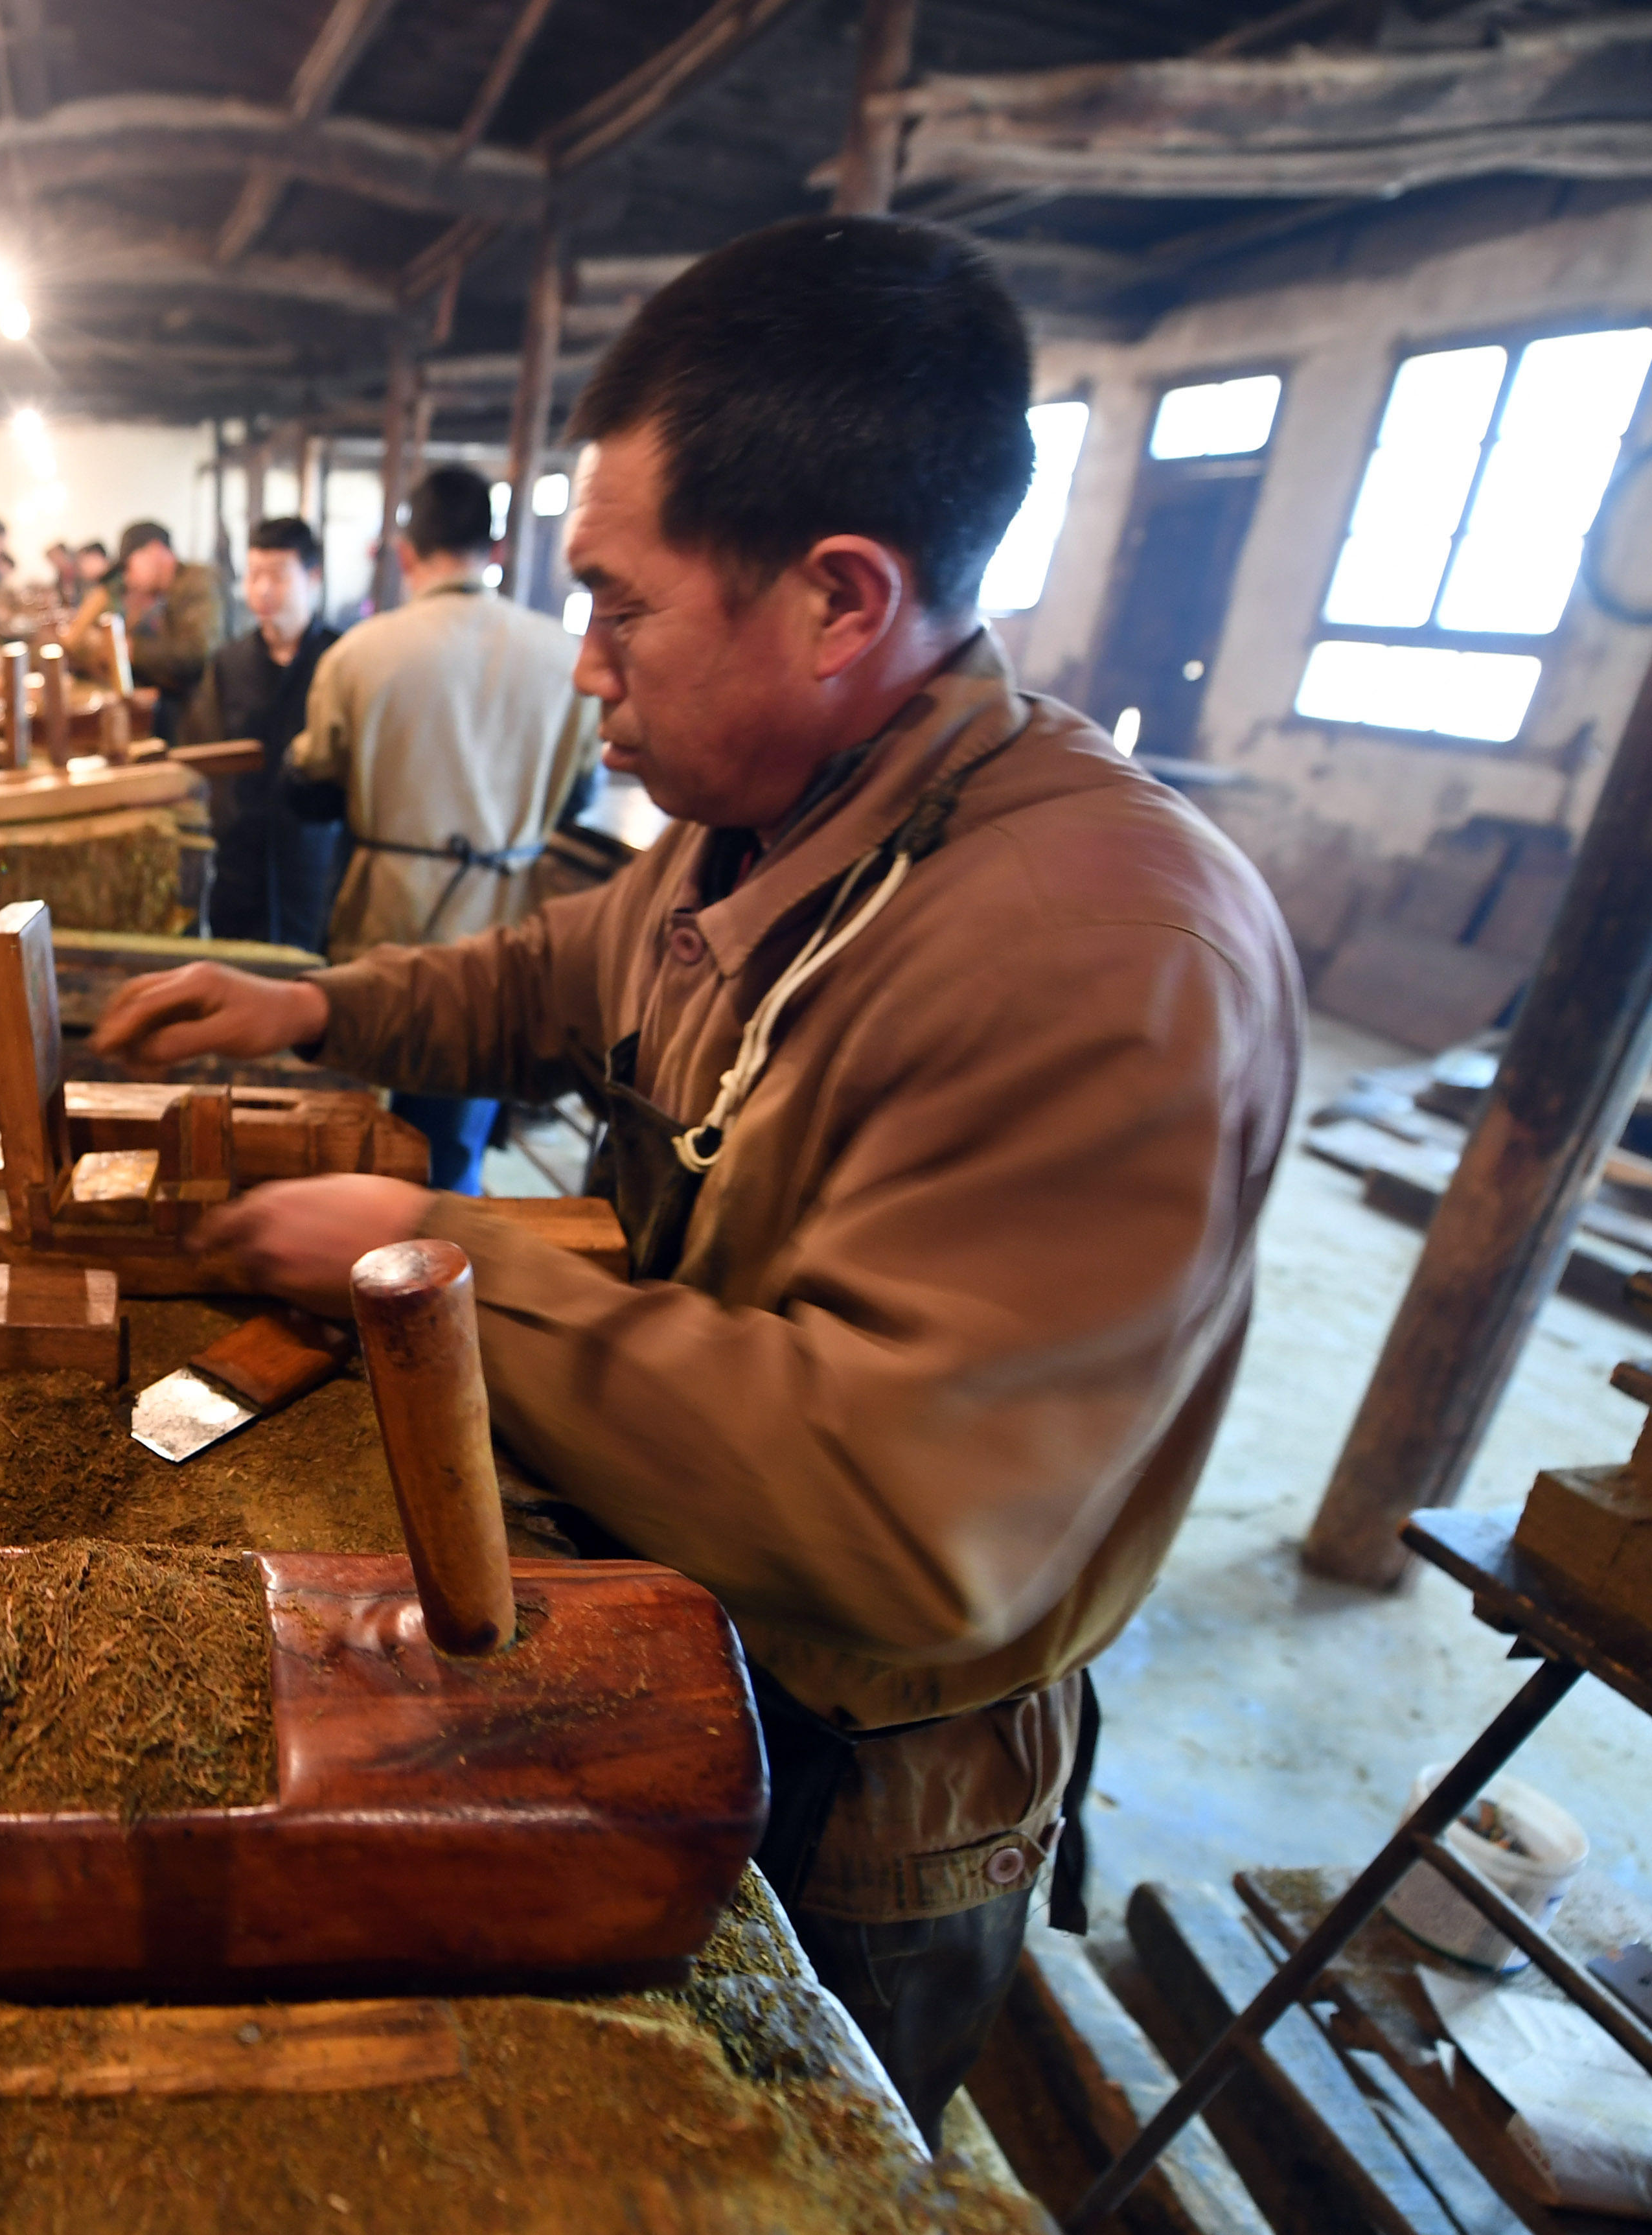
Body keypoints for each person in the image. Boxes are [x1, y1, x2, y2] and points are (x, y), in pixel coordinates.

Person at [87, 216, 1298, 2140]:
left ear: (838, 600)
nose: (585, 672)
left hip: (862, 1786)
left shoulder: (1104, 951)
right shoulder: (769, 823)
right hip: (682, 1614)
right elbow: (556, 971)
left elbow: (894, 1505)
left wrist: (425, 1248)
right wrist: (309, 1012)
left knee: (775, 2147)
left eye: (623, 608)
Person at [288, 463, 585, 1189]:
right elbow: (579, 796)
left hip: (385, 908)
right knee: (458, 1131)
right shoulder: (567, 657)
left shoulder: (361, 651)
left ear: (405, 550)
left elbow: (312, 785)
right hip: (504, 923)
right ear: (498, 549)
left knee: (363, 1119)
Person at [181, 515, 344, 951]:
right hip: (239, 866)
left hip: (317, 862)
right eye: (254, 576)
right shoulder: (228, 664)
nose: (263, 591)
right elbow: (201, 754)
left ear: (313, 577)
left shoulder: (341, 660)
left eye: (277, 576)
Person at [68, 520, 228, 743]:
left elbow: (198, 653)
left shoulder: (196, 581)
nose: (127, 576)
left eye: (130, 566)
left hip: (207, 723)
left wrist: (130, 649)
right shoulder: (163, 594)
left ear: (155, 550)